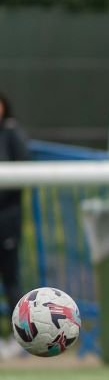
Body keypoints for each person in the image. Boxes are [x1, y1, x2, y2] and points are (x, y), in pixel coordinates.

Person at [0, 92, 29, 359]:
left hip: (6, 221)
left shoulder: (12, 134)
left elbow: (24, 172)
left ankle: (19, 337)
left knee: (11, 281)